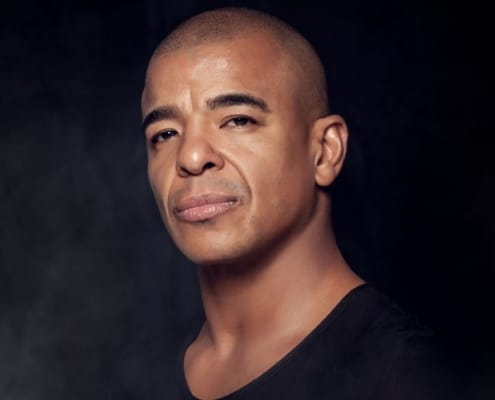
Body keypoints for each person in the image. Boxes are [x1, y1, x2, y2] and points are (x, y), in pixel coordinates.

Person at [111, 7, 455, 400]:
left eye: (238, 120)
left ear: (325, 152)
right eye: (165, 133)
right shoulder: (134, 367)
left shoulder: (407, 376)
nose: (190, 157)